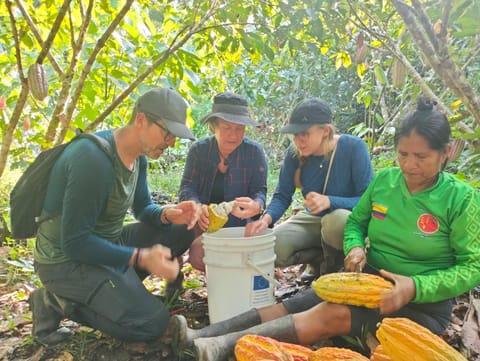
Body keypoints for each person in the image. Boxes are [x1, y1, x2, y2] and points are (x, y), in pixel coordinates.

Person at [169, 96, 480, 360]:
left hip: (419, 307)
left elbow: (473, 266)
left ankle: (217, 348)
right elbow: (357, 221)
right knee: (294, 303)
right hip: (369, 284)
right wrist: (356, 247)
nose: (410, 165)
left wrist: (415, 287)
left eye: (421, 157)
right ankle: (201, 334)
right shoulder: (387, 182)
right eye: (403, 155)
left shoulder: (461, 199)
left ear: (447, 152)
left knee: (331, 313)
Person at [29, 88, 201, 345]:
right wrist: (141, 258)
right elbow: (75, 242)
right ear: (141, 120)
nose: (171, 143)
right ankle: (55, 300)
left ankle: (118, 288)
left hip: (105, 243)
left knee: (184, 228)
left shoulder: (138, 157)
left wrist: (168, 214)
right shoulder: (92, 160)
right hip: (65, 261)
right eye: (168, 134)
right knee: (153, 325)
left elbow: (143, 208)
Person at [246, 97, 373, 279]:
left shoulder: (353, 147)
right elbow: (282, 195)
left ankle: (337, 266)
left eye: (304, 134)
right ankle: (318, 259)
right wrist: (265, 220)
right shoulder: (294, 153)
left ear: (326, 131)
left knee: (335, 221)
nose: (299, 140)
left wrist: (329, 201)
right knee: (272, 248)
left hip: (347, 220)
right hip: (313, 219)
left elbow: (367, 200)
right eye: (295, 134)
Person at [179, 92, 268, 271]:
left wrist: (257, 205)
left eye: (239, 129)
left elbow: (260, 190)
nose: (233, 136)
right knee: (198, 255)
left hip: (241, 226)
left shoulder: (254, 152)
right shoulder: (199, 150)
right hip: (205, 224)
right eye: (227, 128)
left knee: (250, 257)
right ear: (213, 127)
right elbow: (187, 187)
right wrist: (197, 206)